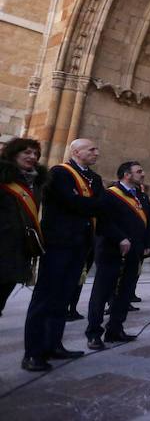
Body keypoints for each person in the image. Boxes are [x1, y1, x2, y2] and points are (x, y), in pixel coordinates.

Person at [23, 138, 103, 372]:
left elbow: (98, 204)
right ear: (76, 152)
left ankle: (53, 344)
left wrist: (86, 204)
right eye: (92, 149)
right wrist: (89, 204)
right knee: (45, 296)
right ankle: (33, 352)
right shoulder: (59, 173)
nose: (96, 153)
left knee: (64, 296)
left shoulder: (94, 179)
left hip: (80, 244)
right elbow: (71, 202)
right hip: (58, 242)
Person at [86, 161, 150, 350]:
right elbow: (104, 221)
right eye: (139, 171)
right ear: (126, 174)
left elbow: (149, 221)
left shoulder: (141, 196)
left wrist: (149, 244)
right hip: (111, 250)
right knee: (102, 292)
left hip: (135, 251)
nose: (143, 174)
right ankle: (94, 333)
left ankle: (116, 328)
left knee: (125, 292)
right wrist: (120, 238)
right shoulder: (109, 194)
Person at [0, 138, 47, 317]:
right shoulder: (3, 178)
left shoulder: (35, 184)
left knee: (6, 286)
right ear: (14, 153)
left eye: (35, 153)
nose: (32, 157)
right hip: (2, 242)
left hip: (20, 246)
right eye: (27, 152)